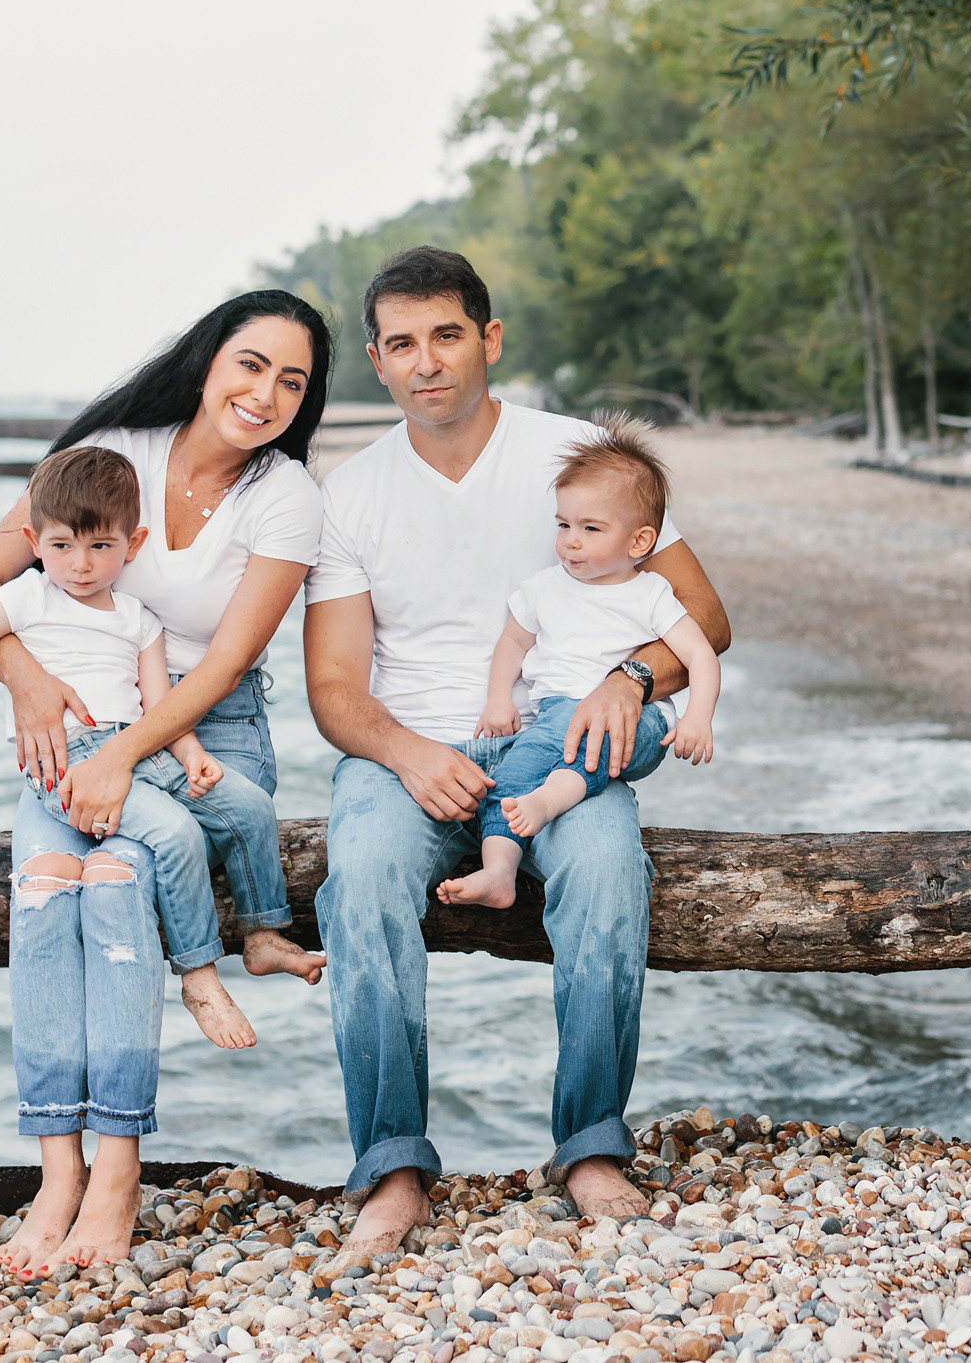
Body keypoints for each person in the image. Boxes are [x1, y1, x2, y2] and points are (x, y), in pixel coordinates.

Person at [304, 246, 732, 1249]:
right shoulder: (350, 493)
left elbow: (702, 615)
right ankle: (394, 1168)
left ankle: (588, 1147)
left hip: (560, 745)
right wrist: (411, 756)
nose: (427, 363)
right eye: (402, 344)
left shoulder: (574, 454)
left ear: (488, 339)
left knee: (607, 874)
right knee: (358, 878)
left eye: (447, 335)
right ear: (377, 359)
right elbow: (333, 689)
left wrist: (627, 680)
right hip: (408, 751)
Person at [0, 289, 335, 1271]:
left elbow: (216, 666)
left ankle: (110, 1175)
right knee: (45, 897)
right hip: (75, 732)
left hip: (210, 733)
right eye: (251, 364)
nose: (266, 393)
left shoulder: (285, 495)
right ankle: (57, 1167)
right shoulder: (119, 448)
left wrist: (126, 753)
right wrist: (27, 682)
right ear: (209, 360)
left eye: (293, 379)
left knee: (117, 884)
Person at [0, 445, 291, 1037]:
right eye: (62, 546)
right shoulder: (23, 599)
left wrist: (191, 755)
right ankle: (199, 976)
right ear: (33, 542)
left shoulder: (137, 617)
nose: (81, 564)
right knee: (174, 834)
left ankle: (264, 933)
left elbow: (158, 705)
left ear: (132, 544)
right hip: (68, 761)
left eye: (100, 546)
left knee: (248, 805)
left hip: (140, 747)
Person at [437, 417, 720, 909]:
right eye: (564, 525)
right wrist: (499, 697)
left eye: (591, 529)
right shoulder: (544, 589)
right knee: (507, 783)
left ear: (639, 542)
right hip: (554, 720)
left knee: (588, 745)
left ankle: (550, 801)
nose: (571, 541)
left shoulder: (651, 595)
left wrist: (698, 716)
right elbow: (512, 643)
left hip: (638, 722)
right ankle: (498, 873)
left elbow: (701, 653)